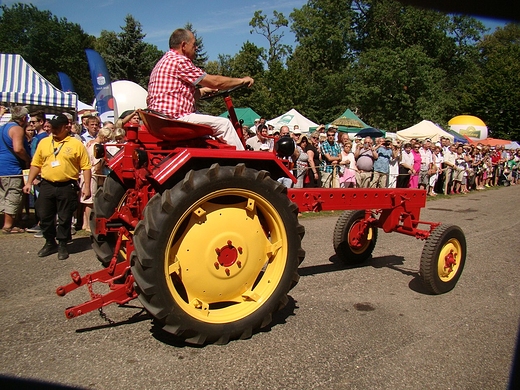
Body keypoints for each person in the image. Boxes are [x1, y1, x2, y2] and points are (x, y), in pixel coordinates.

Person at [147, 28, 254, 150]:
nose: (196, 48)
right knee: (224, 125)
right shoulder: (179, 61)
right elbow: (216, 82)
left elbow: (178, 96)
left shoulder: (164, 61)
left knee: (211, 136)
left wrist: (203, 91)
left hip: (163, 119)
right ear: (183, 45)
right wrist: (242, 80)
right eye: (194, 44)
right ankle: (244, 163)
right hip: (175, 119)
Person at [23, 114, 92, 260]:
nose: (53, 130)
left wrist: (86, 187)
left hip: (67, 185)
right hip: (47, 184)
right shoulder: (44, 142)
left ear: (65, 127)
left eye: (56, 127)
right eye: (52, 127)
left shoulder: (76, 144)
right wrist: (29, 182)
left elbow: (86, 166)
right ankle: (49, 241)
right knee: (44, 214)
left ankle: (62, 244)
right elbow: (36, 164)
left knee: (65, 216)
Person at [0, 106, 32, 233]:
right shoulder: (17, 129)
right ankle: (8, 226)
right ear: (24, 118)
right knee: (13, 195)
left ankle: (8, 221)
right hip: (11, 168)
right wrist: (27, 159)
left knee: (4, 195)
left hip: (2, 167)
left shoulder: (3, 128)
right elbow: (18, 148)